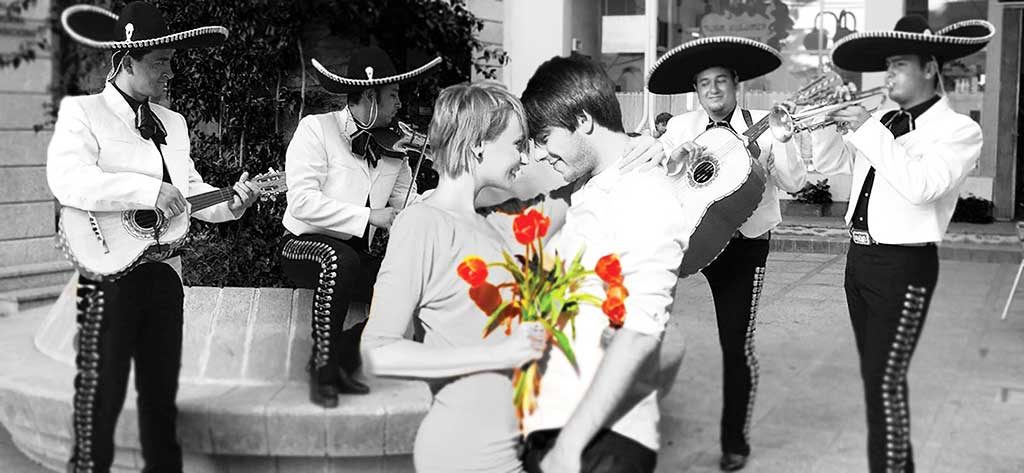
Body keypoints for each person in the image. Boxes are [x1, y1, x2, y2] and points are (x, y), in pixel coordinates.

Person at [47, 3, 258, 472]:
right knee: (100, 398)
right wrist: (147, 190)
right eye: (161, 61)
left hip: (165, 275)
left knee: (161, 396)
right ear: (127, 61)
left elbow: (190, 192)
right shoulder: (84, 113)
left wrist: (233, 203)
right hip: (108, 276)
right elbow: (69, 181)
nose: (171, 71)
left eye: (171, 61)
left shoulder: (174, 123)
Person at [811, 15, 993, 473]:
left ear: (929, 68)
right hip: (860, 259)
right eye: (887, 65)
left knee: (885, 383)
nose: (888, 74)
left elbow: (922, 186)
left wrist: (866, 127)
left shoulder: (958, 130)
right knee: (878, 381)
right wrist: (825, 122)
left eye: (899, 65)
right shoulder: (883, 121)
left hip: (904, 266)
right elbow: (828, 163)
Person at [638, 36, 807, 471]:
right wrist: (674, 160)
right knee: (644, 326)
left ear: (736, 84)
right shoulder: (681, 127)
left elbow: (794, 183)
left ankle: (735, 441)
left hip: (743, 245)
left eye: (720, 81)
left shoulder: (765, 125)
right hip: (686, 237)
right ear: (696, 89)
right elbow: (651, 178)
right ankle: (633, 427)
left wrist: (785, 140)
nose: (712, 90)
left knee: (736, 345)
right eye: (704, 83)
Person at [360, 82, 545, 473]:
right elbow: (377, 351)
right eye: (517, 144)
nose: (524, 157)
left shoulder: (489, 227)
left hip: (513, 448)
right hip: (465, 454)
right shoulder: (422, 223)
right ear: (477, 145)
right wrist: (499, 355)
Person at [519, 55, 691, 473]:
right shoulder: (591, 188)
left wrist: (569, 446)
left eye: (544, 137)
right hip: (559, 420)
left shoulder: (644, 194)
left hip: (601, 441)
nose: (539, 155)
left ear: (583, 120)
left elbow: (640, 333)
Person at [279, 46, 439, 406]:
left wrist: (449, 196)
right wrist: (368, 216)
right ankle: (323, 373)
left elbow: (407, 203)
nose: (400, 103)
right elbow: (301, 202)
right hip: (303, 246)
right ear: (370, 95)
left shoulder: (393, 148)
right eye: (393, 95)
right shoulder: (316, 130)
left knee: (408, 283)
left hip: (354, 253)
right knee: (340, 260)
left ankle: (339, 358)